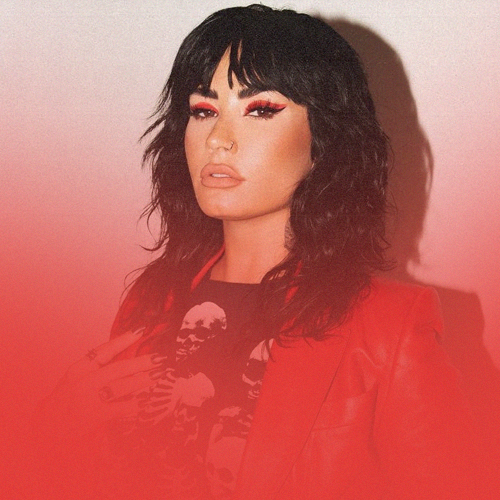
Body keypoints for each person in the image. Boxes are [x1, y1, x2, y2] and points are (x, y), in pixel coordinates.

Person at [33, 5, 485, 500]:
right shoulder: (152, 300)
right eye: (203, 111)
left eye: (261, 110)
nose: (218, 140)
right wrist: (54, 433)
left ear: (324, 140)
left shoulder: (389, 328)